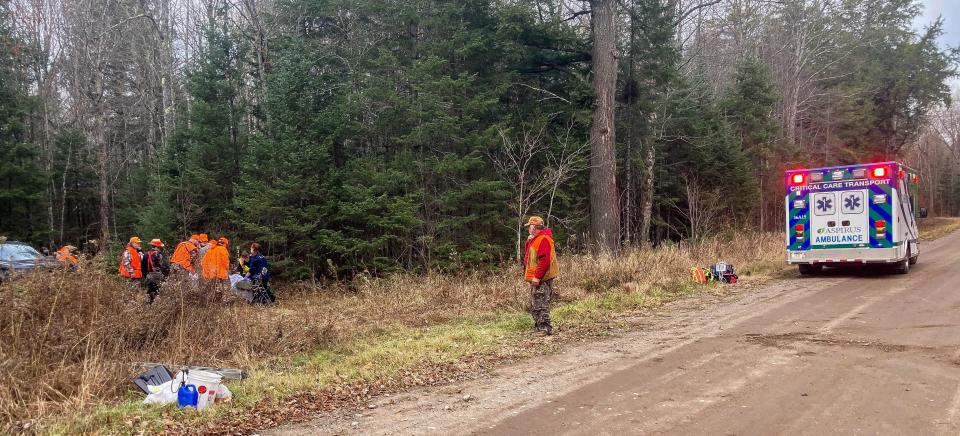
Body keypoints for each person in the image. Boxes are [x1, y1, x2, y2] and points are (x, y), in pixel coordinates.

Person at [522, 216, 559, 336]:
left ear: (534, 227)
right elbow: (529, 256)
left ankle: (545, 328)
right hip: (538, 278)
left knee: (541, 302)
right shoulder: (536, 239)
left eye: (529, 226)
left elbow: (545, 261)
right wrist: (529, 241)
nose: (528, 228)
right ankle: (540, 326)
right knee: (536, 302)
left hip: (542, 278)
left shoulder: (543, 239)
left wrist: (537, 277)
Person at [142, 239, 169, 304]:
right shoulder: (161, 255)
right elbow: (166, 267)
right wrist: (166, 277)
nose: (161, 248)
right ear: (157, 247)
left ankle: (149, 307)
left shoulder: (146, 254)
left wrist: (146, 275)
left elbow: (143, 268)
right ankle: (158, 307)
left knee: (150, 292)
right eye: (160, 247)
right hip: (159, 276)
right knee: (159, 293)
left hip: (149, 276)